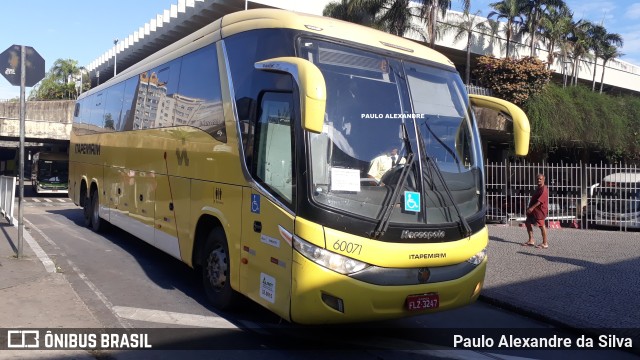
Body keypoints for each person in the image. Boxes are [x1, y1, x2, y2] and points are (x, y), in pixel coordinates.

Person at [522, 173, 549, 249]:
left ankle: (545, 243)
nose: (539, 180)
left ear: (544, 179)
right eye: (537, 179)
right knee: (528, 223)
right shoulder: (538, 188)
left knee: (542, 226)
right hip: (534, 211)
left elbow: (539, 201)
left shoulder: (544, 189)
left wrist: (531, 208)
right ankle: (531, 240)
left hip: (540, 211)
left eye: (540, 179)